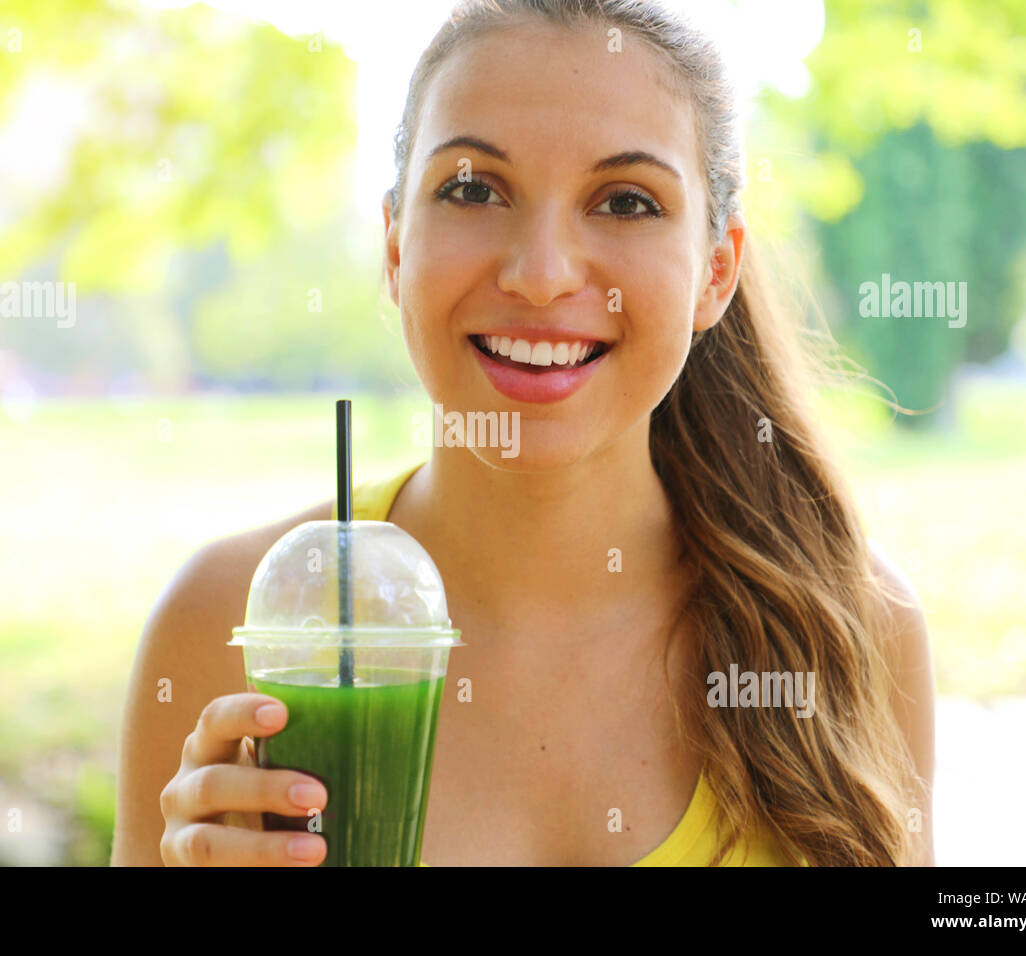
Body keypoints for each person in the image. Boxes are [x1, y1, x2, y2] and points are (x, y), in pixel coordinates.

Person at [112, 0, 935, 867]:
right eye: (473, 189)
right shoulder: (230, 621)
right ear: (395, 247)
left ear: (715, 270)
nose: (541, 275)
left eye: (624, 201)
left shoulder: (853, 627)